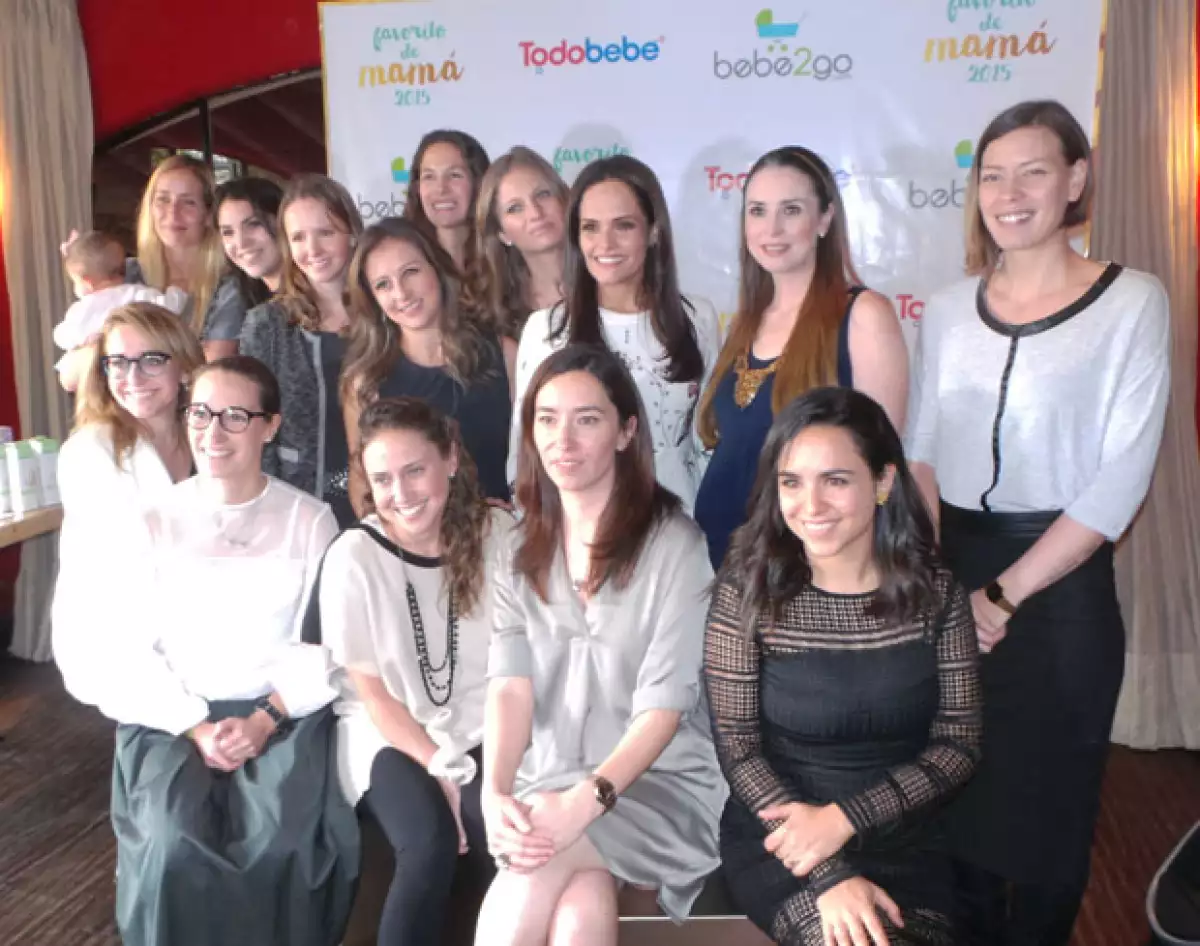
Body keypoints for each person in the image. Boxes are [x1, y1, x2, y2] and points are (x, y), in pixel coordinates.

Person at [905, 100, 1170, 946]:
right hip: (954, 575)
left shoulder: (1133, 301)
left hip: (1059, 591)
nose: (1010, 193)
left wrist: (1006, 596)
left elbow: (1119, 479)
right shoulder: (946, 309)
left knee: (1051, 823)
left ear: (1076, 180)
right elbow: (919, 454)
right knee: (963, 812)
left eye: (1034, 171)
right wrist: (938, 585)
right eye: (992, 175)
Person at [54, 355, 359, 946]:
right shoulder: (154, 519)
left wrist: (266, 718)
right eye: (200, 413)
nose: (212, 433)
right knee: (172, 844)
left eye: (235, 416)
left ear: (270, 426)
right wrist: (193, 724)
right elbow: (128, 646)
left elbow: (323, 643)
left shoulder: (310, 519)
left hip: (280, 716)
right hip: (172, 717)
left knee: (281, 843)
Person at [705, 386, 982, 946]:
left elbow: (959, 744)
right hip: (781, 837)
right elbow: (738, 748)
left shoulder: (937, 593)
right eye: (792, 482)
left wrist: (845, 820)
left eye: (835, 479)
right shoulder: (747, 588)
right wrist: (828, 869)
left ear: (882, 482)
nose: (811, 505)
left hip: (905, 838)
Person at [479, 344, 726, 946]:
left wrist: (585, 803)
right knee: (576, 911)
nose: (564, 438)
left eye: (587, 418)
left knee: (532, 867)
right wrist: (494, 791)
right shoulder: (517, 547)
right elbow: (510, 686)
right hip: (552, 778)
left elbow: (664, 710)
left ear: (626, 431)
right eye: (547, 418)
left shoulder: (676, 546)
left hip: (658, 785)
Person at [322, 397, 513, 945]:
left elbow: (514, 667)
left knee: (496, 832)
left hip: (480, 721)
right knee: (427, 840)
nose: (400, 494)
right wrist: (443, 768)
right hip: (386, 731)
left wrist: (472, 768)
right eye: (383, 479)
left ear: (450, 459)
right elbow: (372, 693)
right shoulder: (353, 556)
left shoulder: (496, 534)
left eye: (415, 471)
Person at [694, 146, 909, 570]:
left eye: (790, 210)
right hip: (724, 565)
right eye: (757, 211)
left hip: (808, 576)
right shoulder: (746, 322)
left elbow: (881, 468)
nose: (771, 228)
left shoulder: (863, 315)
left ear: (825, 218)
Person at [509, 155, 720, 513]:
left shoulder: (696, 318)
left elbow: (707, 440)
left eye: (623, 226)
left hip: (682, 525)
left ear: (654, 231)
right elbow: (524, 453)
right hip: (579, 535)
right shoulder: (546, 330)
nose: (604, 244)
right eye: (590, 227)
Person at [342, 217, 516, 508]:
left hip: (502, 537)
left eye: (410, 272)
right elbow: (363, 485)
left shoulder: (505, 354)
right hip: (411, 545)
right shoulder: (365, 382)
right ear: (372, 299)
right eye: (383, 284)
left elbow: (534, 459)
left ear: (437, 269)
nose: (401, 293)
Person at [52, 302, 205, 597]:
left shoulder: (206, 437)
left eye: (151, 360)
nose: (133, 378)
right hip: (123, 631)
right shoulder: (89, 452)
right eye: (119, 362)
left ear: (185, 369)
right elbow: (125, 569)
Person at [238, 174, 363, 525]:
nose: (313, 249)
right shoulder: (267, 325)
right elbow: (252, 427)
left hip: (383, 504)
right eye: (298, 237)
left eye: (326, 232)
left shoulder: (388, 313)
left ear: (352, 233)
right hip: (299, 510)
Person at [129, 154, 246, 360]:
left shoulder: (227, 286)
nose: (173, 213)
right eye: (163, 200)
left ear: (209, 215)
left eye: (188, 202)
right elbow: (71, 370)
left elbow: (214, 366)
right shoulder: (127, 273)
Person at [54, 231, 188, 392]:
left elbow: (62, 337)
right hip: (137, 372)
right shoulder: (139, 293)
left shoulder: (81, 309)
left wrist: (81, 342)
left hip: (97, 379)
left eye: (75, 282)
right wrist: (178, 289)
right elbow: (169, 307)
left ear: (87, 282)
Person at [471, 146, 568, 339]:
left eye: (543, 194)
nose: (535, 213)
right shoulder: (496, 313)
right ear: (501, 233)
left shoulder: (607, 281)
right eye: (515, 208)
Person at [405, 129, 491, 272]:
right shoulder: (404, 258)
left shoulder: (505, 258)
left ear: (478, 183)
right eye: (429, 177)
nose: (441, 189)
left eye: (454, 175)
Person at [215, 176, 286, 306]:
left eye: (254, 224)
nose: (241, 243)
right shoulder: (239, 298)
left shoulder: (318, 297)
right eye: (228, 232)